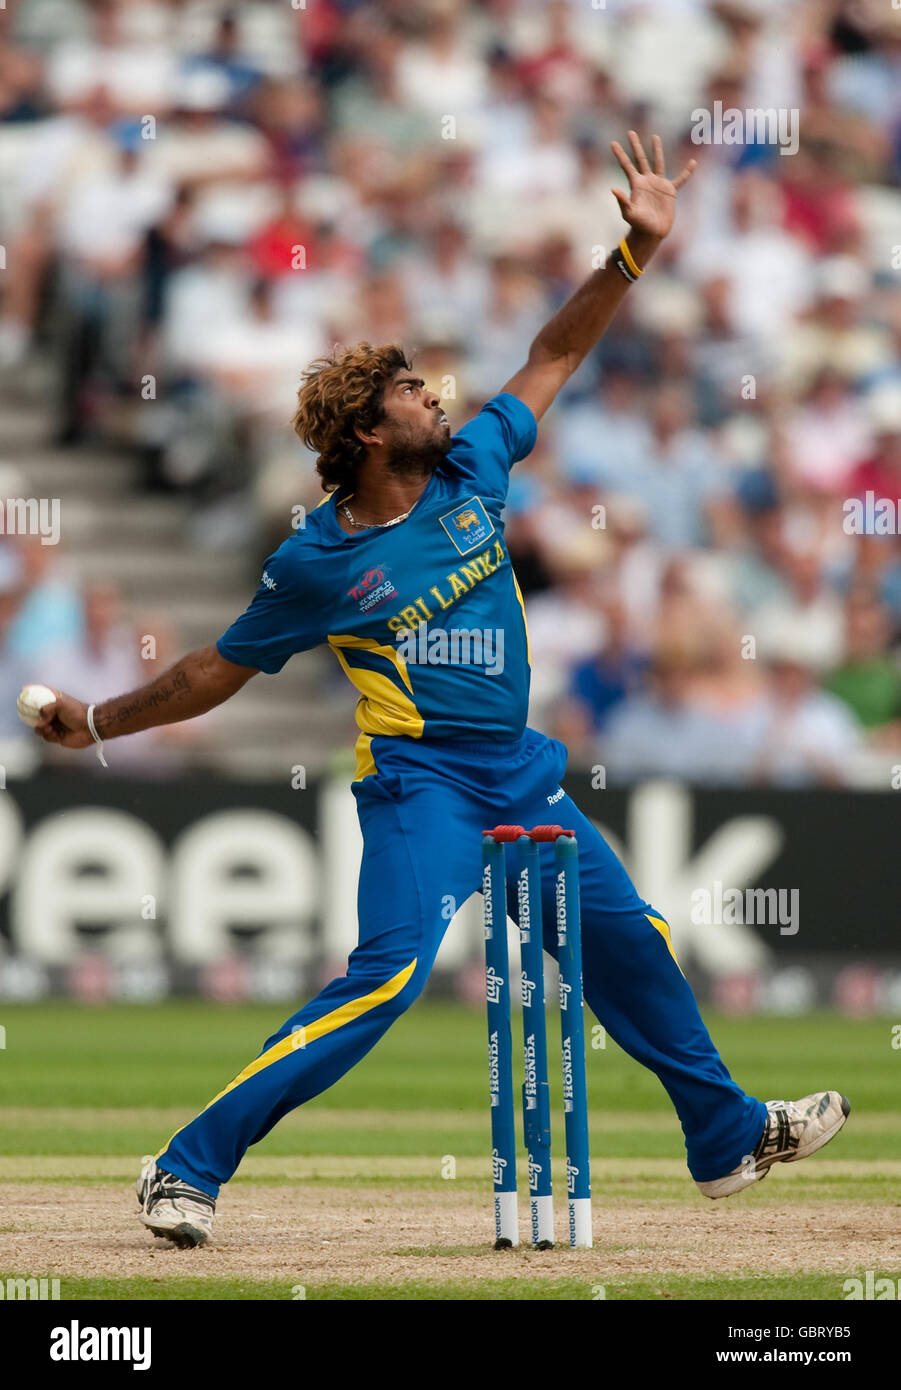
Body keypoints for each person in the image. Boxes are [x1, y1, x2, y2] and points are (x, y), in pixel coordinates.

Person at [30, 135, 849, 1248]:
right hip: (423, 789)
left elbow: (553, 354)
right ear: (370, 432)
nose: (435, 396)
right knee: (388, 978)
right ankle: (184, 1167)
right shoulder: (317, 562)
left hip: (519, 773)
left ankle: (724, 1137)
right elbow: (212, 668)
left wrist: (634, 250)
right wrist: (99, 722)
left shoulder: (475, 468)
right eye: (413, 392)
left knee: (633, 944)